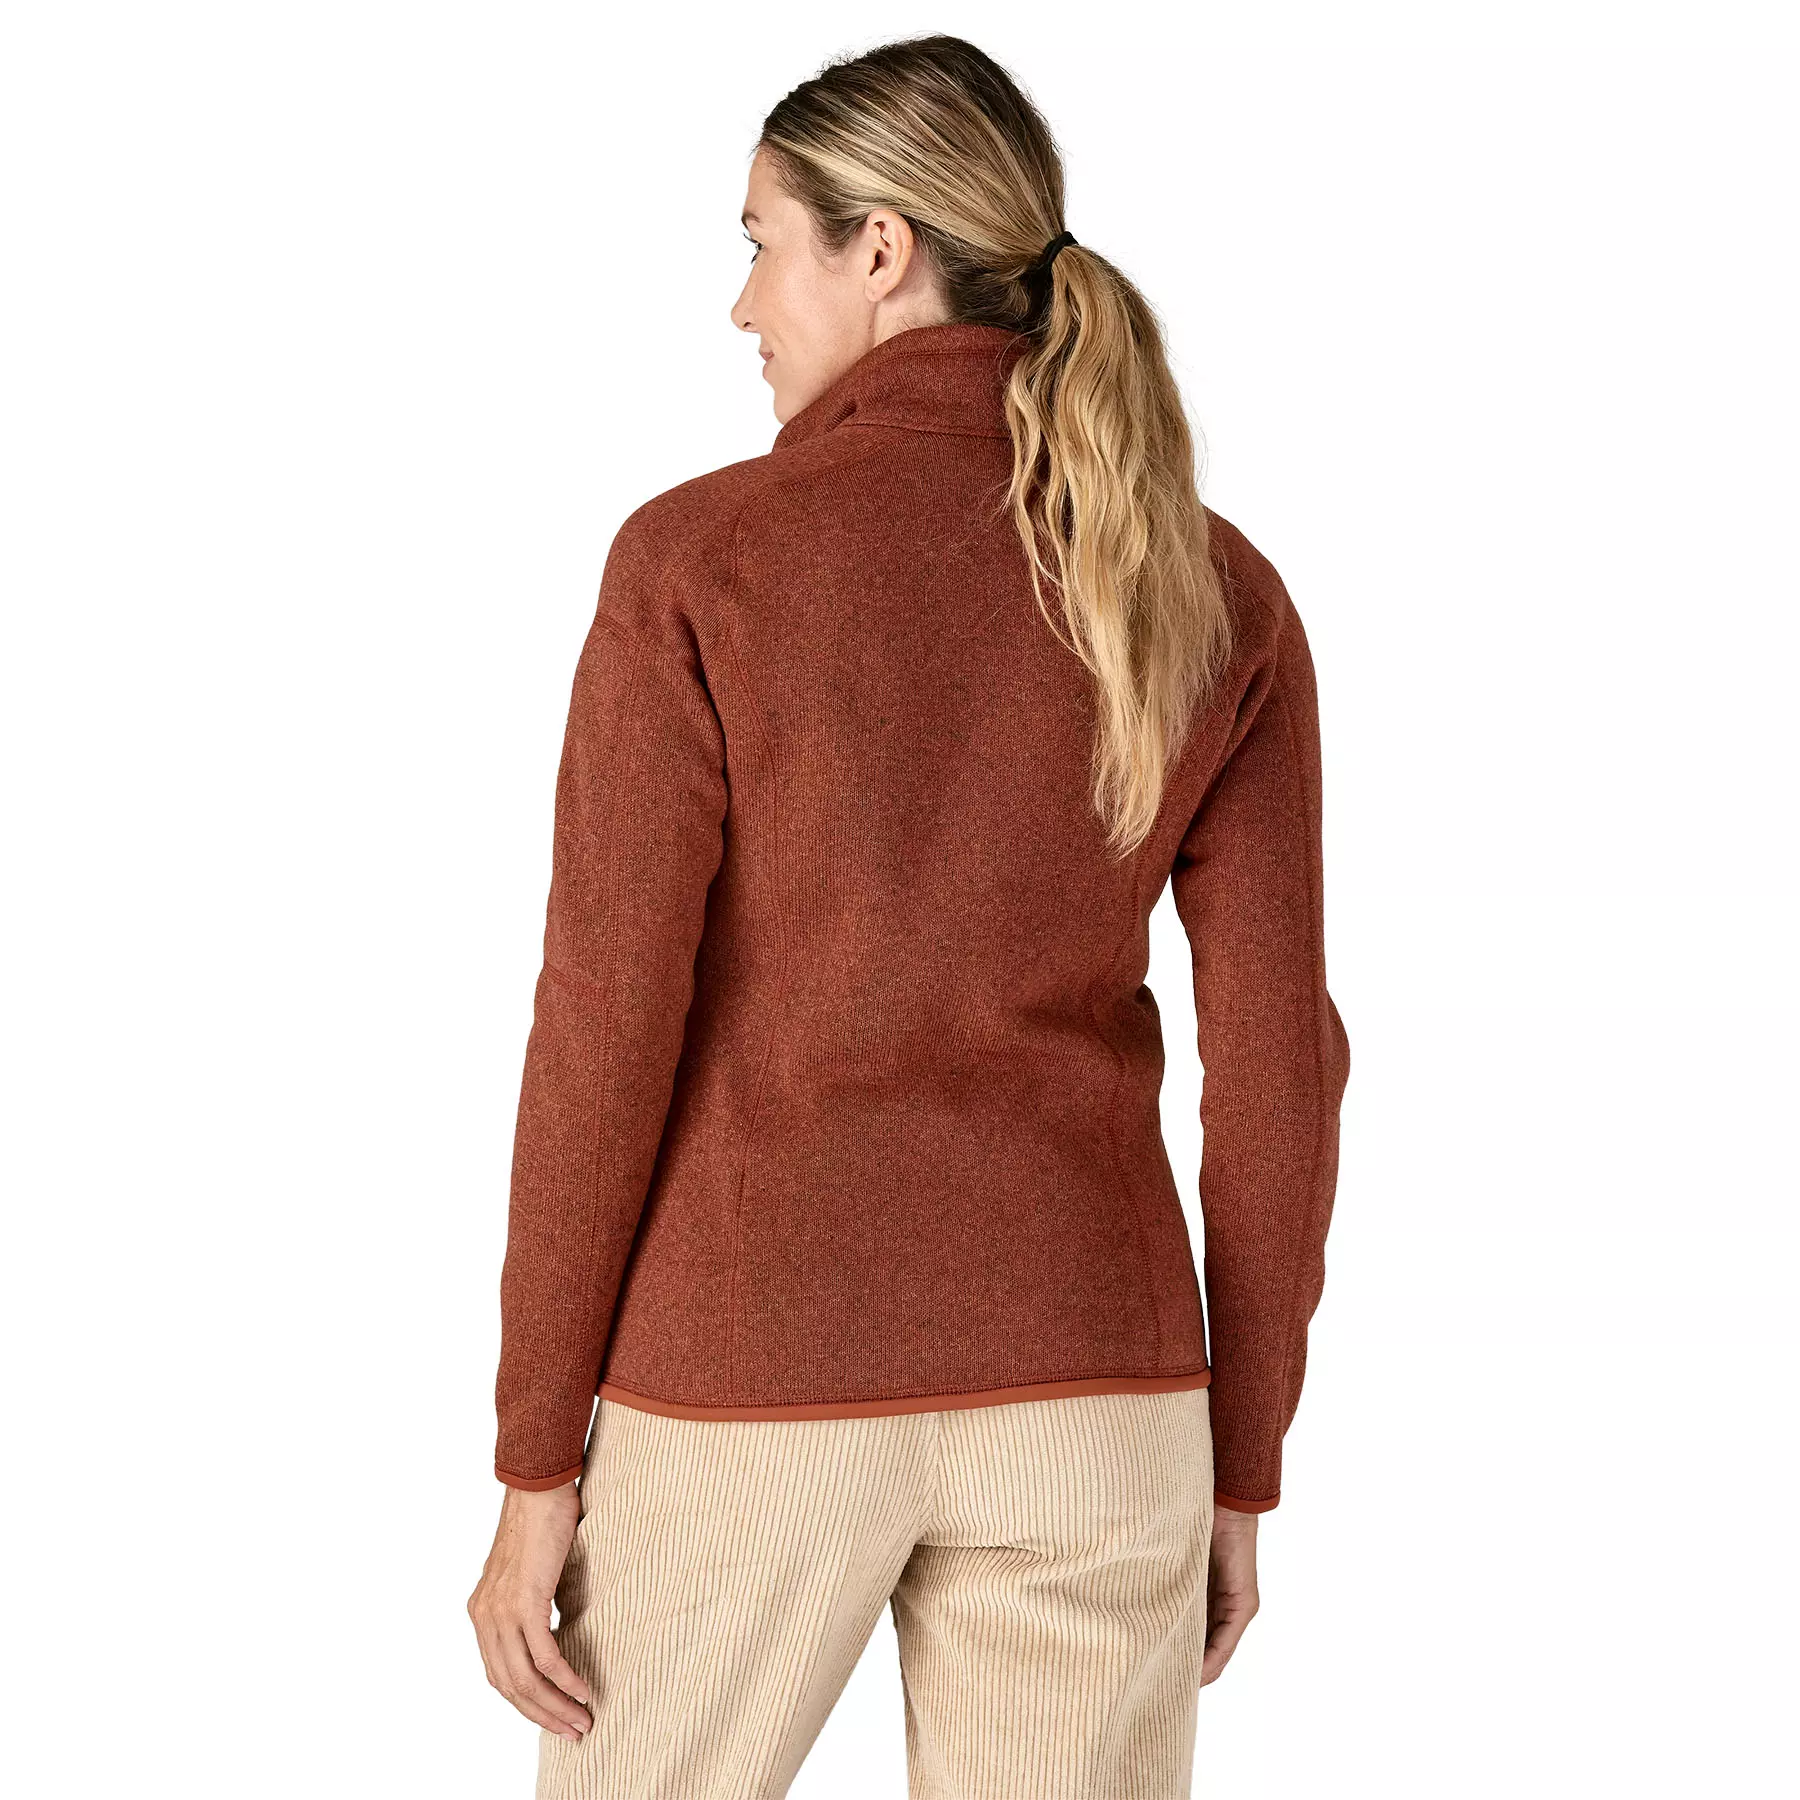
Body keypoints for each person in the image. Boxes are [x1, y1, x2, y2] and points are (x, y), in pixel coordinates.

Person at [468, 33, 1350, 1800]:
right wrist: (1237, 1457)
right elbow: (1279, 1074)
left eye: (758, 244)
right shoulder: (1208, 584)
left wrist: (533, 1464)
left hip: (750, 1376)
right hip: (1096, 1397)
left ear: (879, 251)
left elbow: (604, 1033)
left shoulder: (700, 562)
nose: (741, 306)